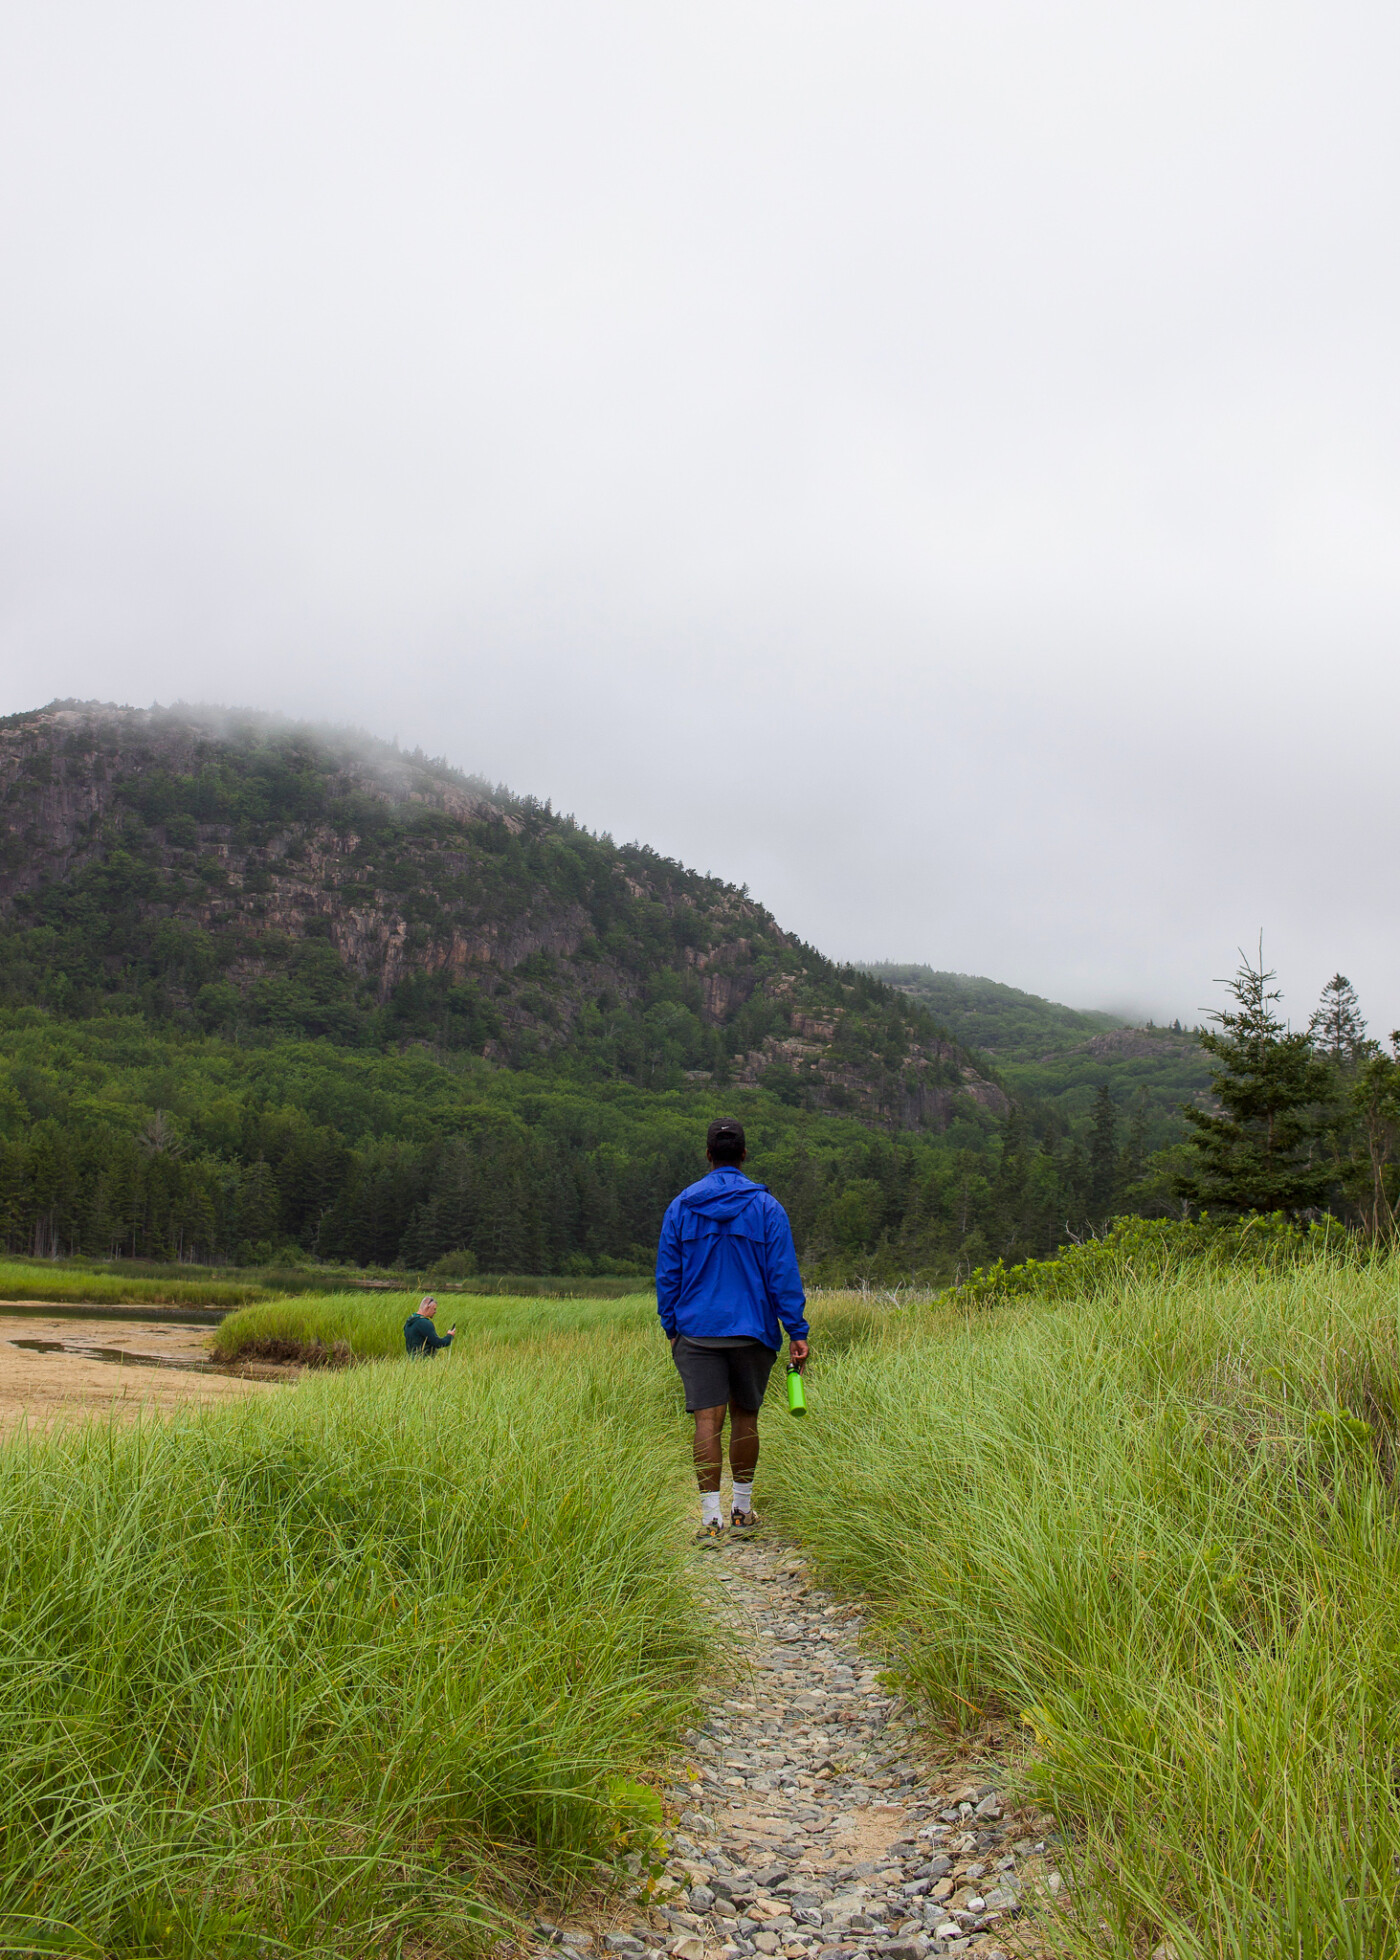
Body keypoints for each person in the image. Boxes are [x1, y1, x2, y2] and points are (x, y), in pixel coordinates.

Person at [656, 1117, 809, 1540]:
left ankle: (709, 1519)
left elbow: (668, 1275)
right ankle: (741, 1511)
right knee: (746, 1417)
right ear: (743, 1155)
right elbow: (783, 1275)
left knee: (707, 1421)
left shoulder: (681, 1207)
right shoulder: (767, 1208)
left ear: (708, 1155)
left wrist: (672, 1325)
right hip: (753, 1330)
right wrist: (796, 1330)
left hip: (697, 1330)